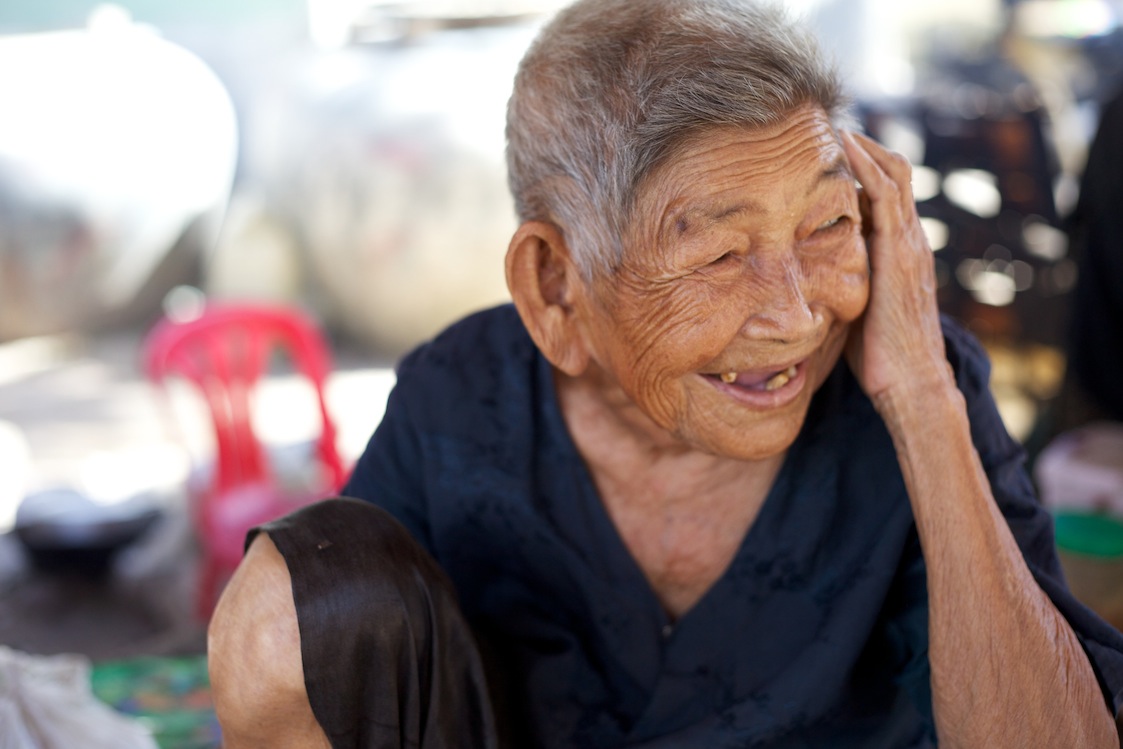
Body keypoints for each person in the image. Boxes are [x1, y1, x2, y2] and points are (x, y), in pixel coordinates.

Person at [207, 1, 1123, 746]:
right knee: (283, 605)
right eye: (720, 256)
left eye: (826, 227)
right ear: (554, 285)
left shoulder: (915, 374)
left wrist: (923, 405)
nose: (796, 314)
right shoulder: (463, 401)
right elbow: (340, 661)